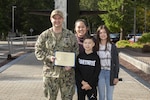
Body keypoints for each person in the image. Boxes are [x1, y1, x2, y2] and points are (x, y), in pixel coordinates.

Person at [34, 9, 79, 100]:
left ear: (63, 19)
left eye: (59, 18)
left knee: (67, 98)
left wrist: (70, 64)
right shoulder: (45, 35)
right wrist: (48, 57)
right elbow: (38, 50)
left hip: (67, 75)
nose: (57, 20)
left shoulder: (70, 35)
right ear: (51, 19)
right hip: (50, 74)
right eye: (55, 18)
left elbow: (76, 51)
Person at [95, 25, 120, 100]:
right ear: (98, 34)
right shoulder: (96, 46)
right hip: (100, 73)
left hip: (110, 73)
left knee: (109, 96)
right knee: (101, 96)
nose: (103, 34)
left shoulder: (112, 46)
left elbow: (116, 62)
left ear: (107, 34)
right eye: (100, 33)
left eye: (104, 32)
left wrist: (116, 76)